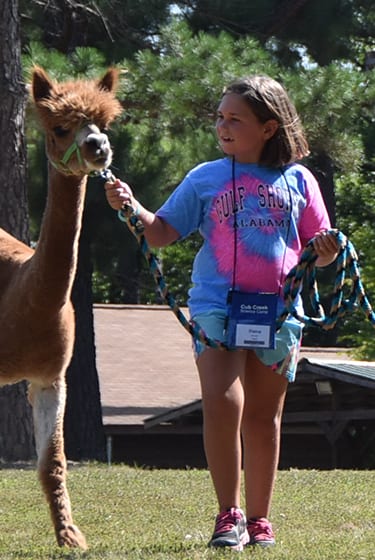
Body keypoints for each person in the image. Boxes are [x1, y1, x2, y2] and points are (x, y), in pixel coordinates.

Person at [105, 75, 339, 551]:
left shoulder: (299, 180)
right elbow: (161, 233)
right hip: (216, 306)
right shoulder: (205, 178)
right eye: (220, 117)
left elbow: (322, 248)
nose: (223, 127)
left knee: (263, 416)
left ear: (269, 127)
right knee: (222, 401)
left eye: (235, 119)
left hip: (277, 312)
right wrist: (132, 209)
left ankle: (259, 521)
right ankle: (227, 514)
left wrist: (328, 249)